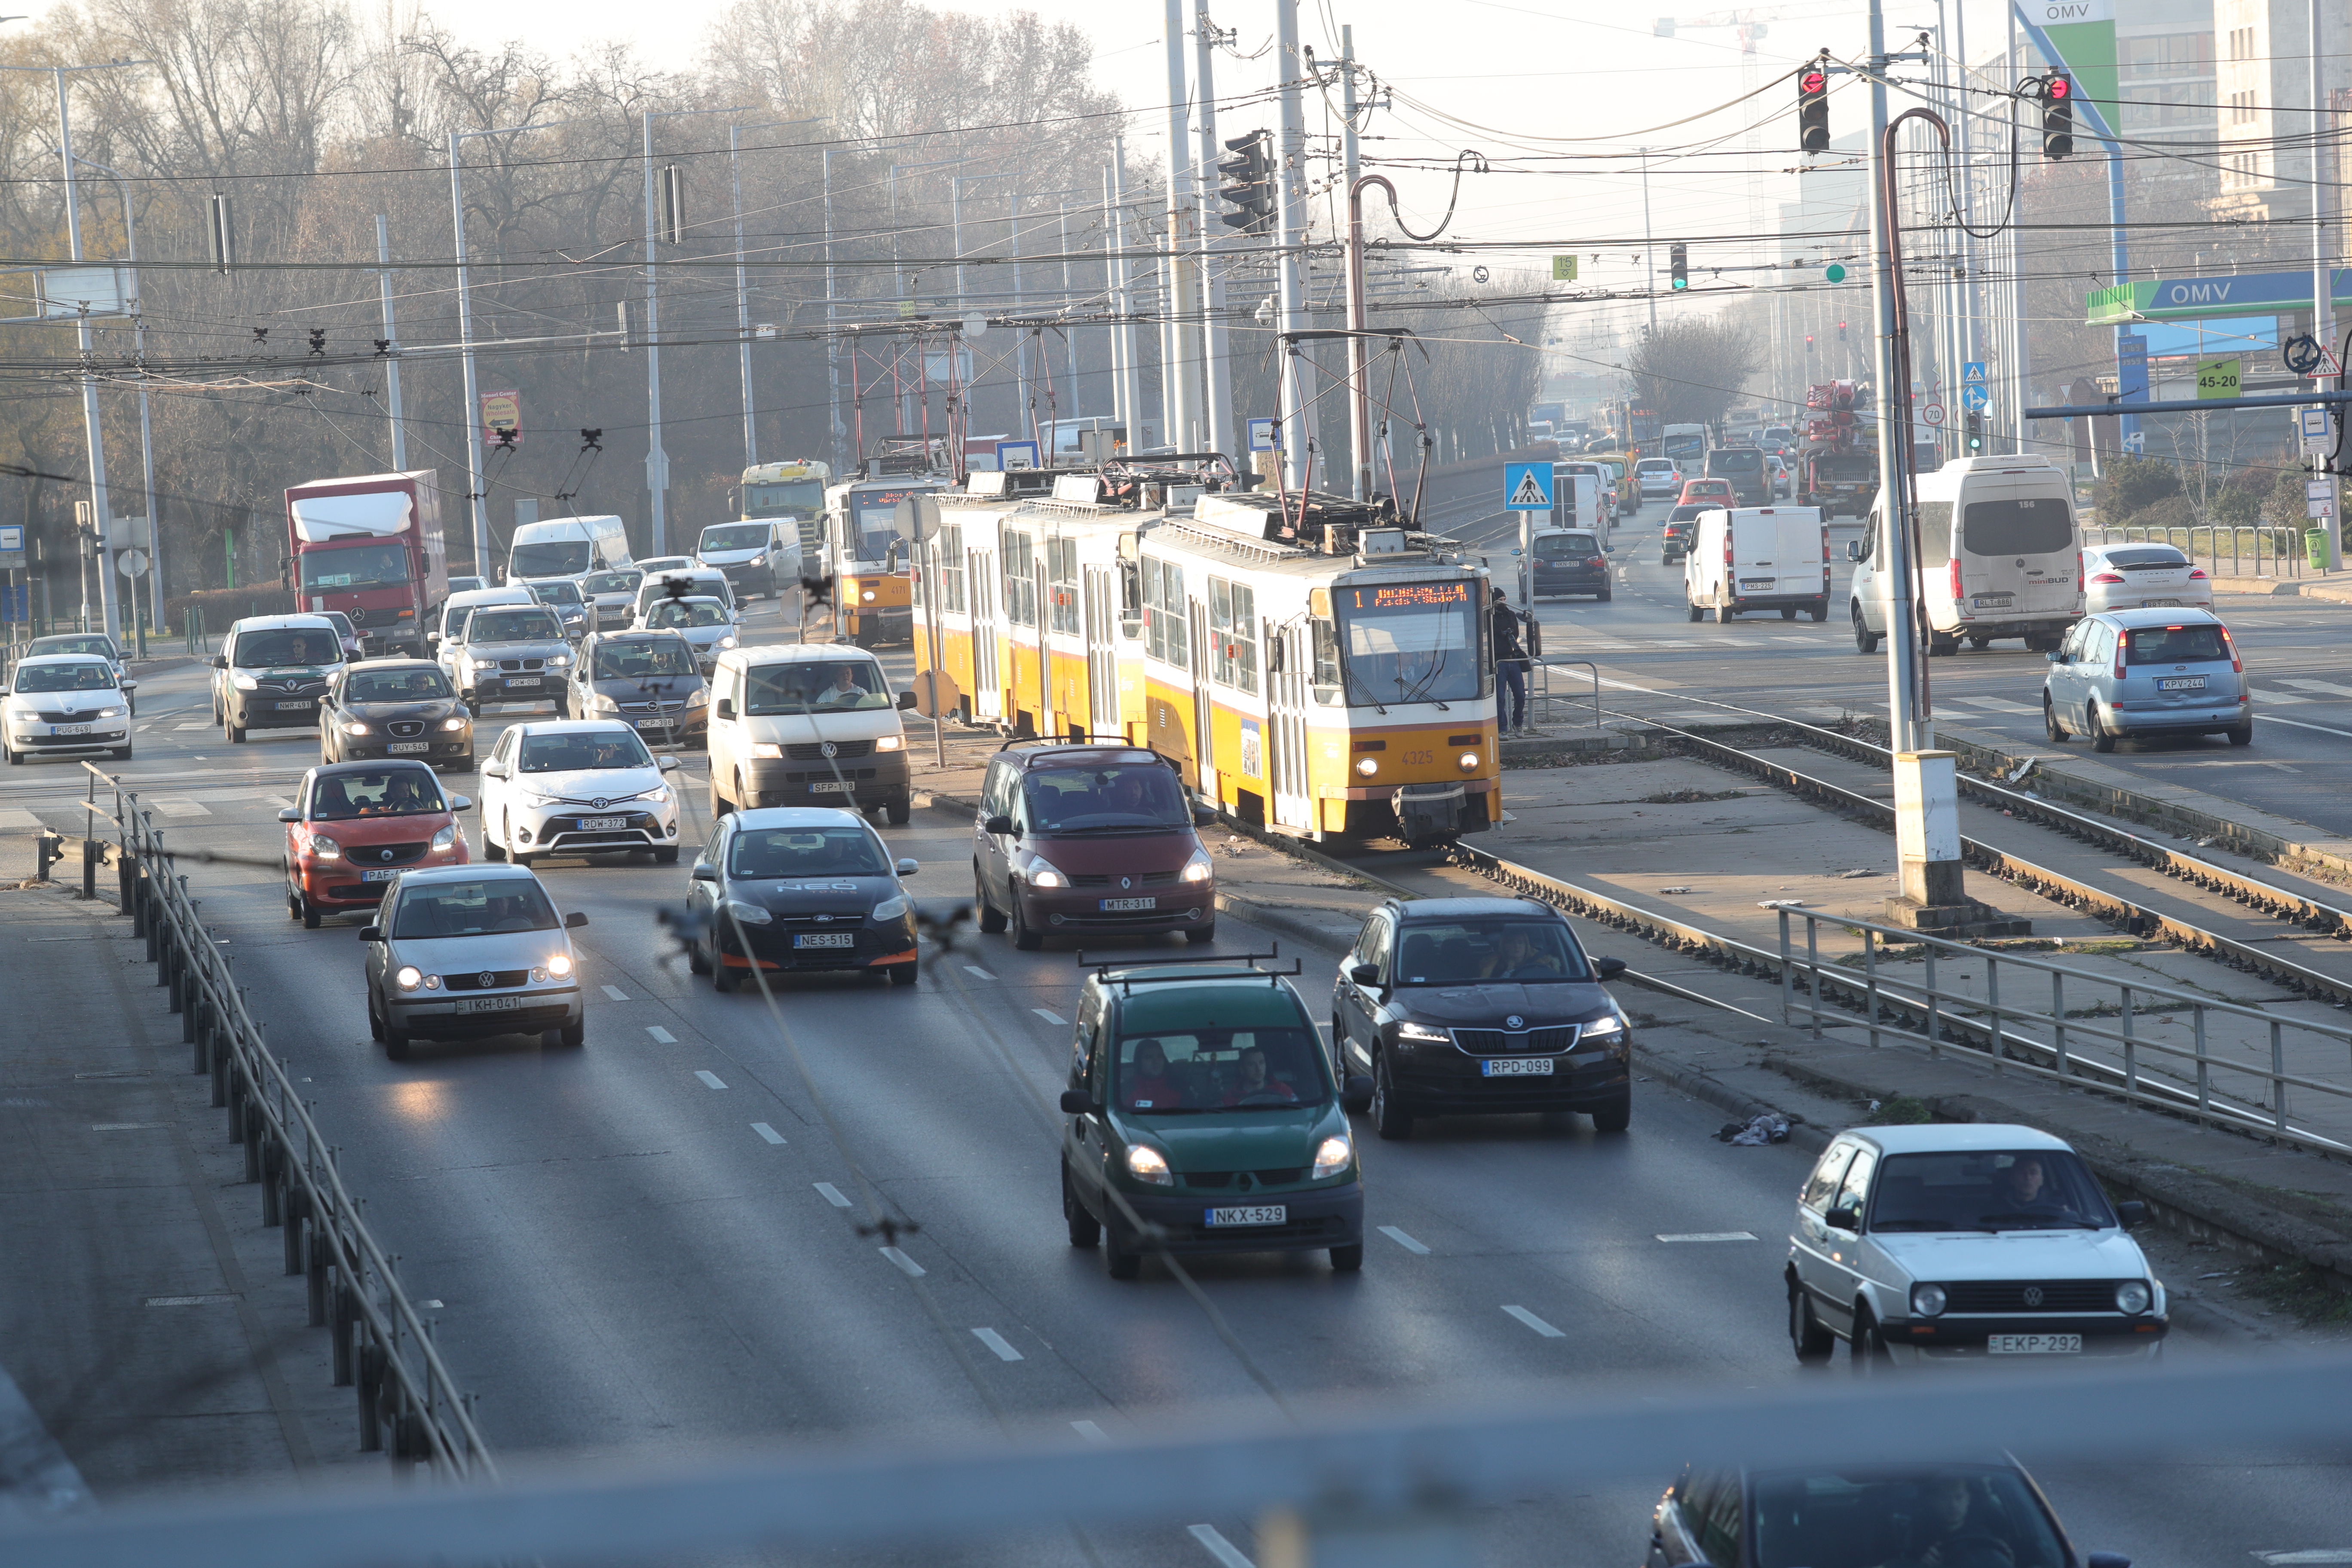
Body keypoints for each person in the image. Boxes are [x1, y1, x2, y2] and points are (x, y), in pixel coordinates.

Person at [1490, 586, 1528, 735]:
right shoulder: (1489, 617)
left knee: (1520, 695)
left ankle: (1518, 723)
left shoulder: (1511, 615)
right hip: (1498, 662)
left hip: (1512, 660)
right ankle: (1502, 727)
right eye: (1500, 600)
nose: (1503, 603)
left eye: (1505, 600)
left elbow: (1516, 633)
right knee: (1500, 697)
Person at [1222, 1044, 1298, 1106]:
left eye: (1262, 1063)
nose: (1259, 1069)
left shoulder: (1282, 1090)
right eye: (1252, 1065)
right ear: (1242, 1070)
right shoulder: (1232, 1097)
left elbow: (1299, 1112)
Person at [1478, 926, 1563, 980]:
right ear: (1504, 946)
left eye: (1520, 943)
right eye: (1511, 943)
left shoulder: (1543, 963)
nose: (1517, 946)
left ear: (1527, 946)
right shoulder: (1492, 965)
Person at [1124, 1039, 1182, 1110]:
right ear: (1139, 1062)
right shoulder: (1127, 1088)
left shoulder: (1178, 1086)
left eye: (1159, 1056)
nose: (1156, 1062)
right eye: (1149, 1057)